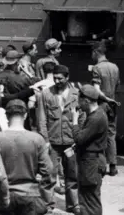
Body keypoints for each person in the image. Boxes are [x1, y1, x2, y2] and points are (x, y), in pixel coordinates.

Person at [0, 99, 52, 215]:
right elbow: (48, 170)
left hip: (2, 196)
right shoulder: (36, 139)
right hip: (29, 195)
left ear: (7, 116)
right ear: (26, 115)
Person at [37, 64, 83, 215]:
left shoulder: (77, 94)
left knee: (72, 175)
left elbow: (82, 118)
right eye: (55, 78)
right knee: (49, 175)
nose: (57, 81)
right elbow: (42, 119)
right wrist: (46, 140)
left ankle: (73, 205)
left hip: (72, 143)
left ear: (67, 77)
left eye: (60, 78)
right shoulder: (45, 94)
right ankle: (48, 205)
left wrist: (79, 139)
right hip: (53, 142)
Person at [71, 85, 108, 215]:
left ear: (86, 101)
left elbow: (79, 138)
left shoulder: (96, 118)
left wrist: (74, 121)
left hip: (91, 164)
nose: (78, 104)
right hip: (92, 161)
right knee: (89, 198)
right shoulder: (96, 114)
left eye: (79, 101)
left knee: (89, 200)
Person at [90, 40, 120, 176]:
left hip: (102, 104)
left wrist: (105, 98)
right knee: (111, 135)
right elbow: (117, 86)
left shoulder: (97, 68)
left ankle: (101, 167)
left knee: (99, 135)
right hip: (113, 104)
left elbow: (96, 90)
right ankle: (113, 166)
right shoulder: (115, 67)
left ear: (96, 52)